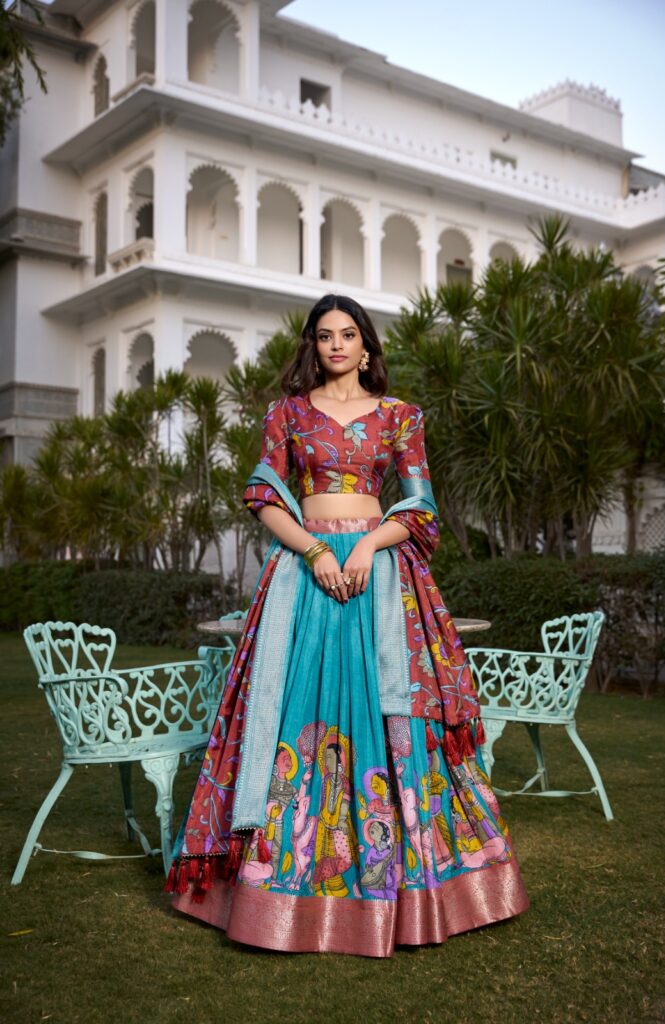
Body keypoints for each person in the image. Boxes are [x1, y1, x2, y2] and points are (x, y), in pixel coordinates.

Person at [165, 293, 529, 956]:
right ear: (314, 345)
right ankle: (276, 887)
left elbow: (419, 504)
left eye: (349, 334)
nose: (336, 345)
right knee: (288, 708)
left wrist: (363, 546)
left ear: (367, 347)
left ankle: (412, 890)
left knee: (393, 713)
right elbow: (264, 495)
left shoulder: (399, 416)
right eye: (325, 335)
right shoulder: (287, 414)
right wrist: (312, 550)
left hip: (377, 576)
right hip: (300, 580)